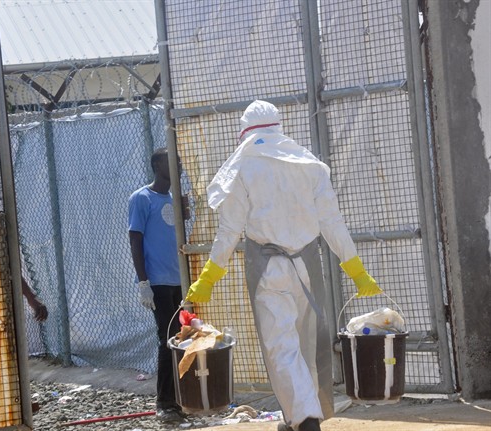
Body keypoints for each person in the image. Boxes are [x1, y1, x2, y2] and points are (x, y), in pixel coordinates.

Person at [185, 100, 382, 431]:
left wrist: (209, 276)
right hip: (306, 265)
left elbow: (230, 230)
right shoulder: (310, 166)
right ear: (279, 127)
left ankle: (306, 420)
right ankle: (296, 418)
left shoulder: (244, 169)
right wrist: (356, 270)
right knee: (306, 343)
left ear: (245, 132)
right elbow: (332, 222)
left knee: (282, 348)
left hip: (268, 269)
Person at [128, 147, 188, 423]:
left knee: (182, 338)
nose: (177, 166)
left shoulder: (176, 199)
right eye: (171, 162)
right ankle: (165, 402)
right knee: (168, 340)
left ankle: (180, 397)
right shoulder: (141, 198)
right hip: (159, 282)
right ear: (156, 165)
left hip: (180, 281)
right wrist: (143, 282)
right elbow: (136, 240)